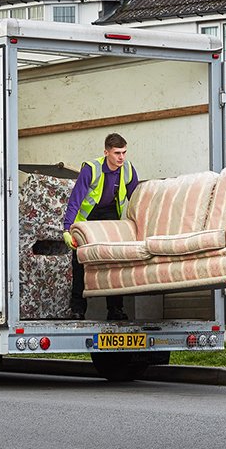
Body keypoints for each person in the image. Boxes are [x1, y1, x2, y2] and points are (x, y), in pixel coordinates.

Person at [62, 133, 139, 320]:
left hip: (111, 216)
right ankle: (78, 310)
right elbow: (75, 200)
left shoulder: (127, 168)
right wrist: (67, 229)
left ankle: (115, 310)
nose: (121, 157)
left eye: (124, 152)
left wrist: (141, 224)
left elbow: (136, 198)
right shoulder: (91, 169)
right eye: (117, 153)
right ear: (106, 153)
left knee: (113, 261)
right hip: (87, 218)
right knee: (80, 263)